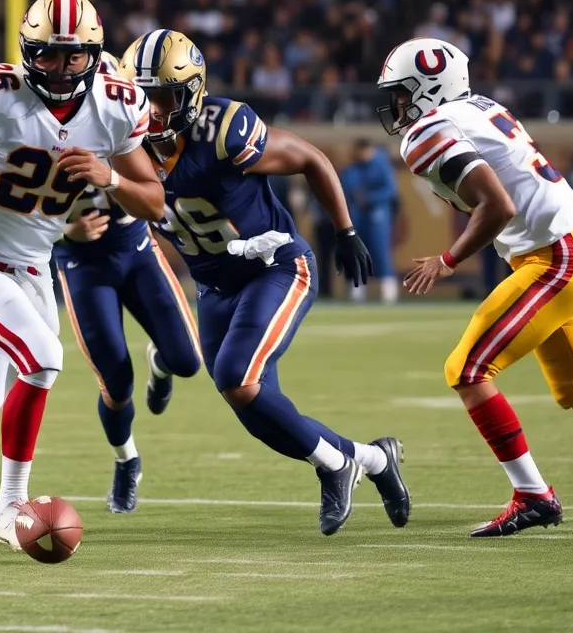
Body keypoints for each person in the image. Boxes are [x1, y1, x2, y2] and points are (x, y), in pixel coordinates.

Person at [120, 28, 409, 537]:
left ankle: (337, 466)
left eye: (161, 96)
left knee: (236, 376)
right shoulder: (123, 143)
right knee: (251, 408)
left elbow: (310, 158)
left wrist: (344, 229)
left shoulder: (224, 131)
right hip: (214, 288)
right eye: (141, 95)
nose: (151, 109)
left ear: (190, 91)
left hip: (274, 269)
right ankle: (373, 460)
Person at [378, 37, 573, 536]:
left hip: (558, 256)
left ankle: (533, 494)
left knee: (466, 369)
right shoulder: (481, 108)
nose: (399, 106)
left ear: (429, 88)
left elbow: (498, 206)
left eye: (403, 93)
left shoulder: (427, 130)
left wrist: (448, 260)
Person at [0, 0, 165, 548]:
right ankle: (10, 508)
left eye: (73, 55)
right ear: (27, 50)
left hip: (32, 265)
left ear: (95, 54)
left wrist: (113, 180)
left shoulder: (117, 106)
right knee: (43, 358)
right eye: (47, 54)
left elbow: (153, 200)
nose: (59, 66)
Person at [53, 52, 202, 513]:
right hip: (82, 264)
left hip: (135, 249)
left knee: (188, 360)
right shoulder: (39, 129)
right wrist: (62, 229)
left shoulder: (127, 125)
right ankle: (126, 460)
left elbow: (155, 203)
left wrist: (111, 176)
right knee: (116, 384)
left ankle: (160, 360)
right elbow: (6, 205)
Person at [339, 138, 399, 303]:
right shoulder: (352, 169)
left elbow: (390, 191)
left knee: (380, 250)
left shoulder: (382, 166)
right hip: (358, 214)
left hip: (378, 213)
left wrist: (370, 198)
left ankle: (388, 289)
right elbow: (346, 188)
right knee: (357, 250)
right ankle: (358, 289)